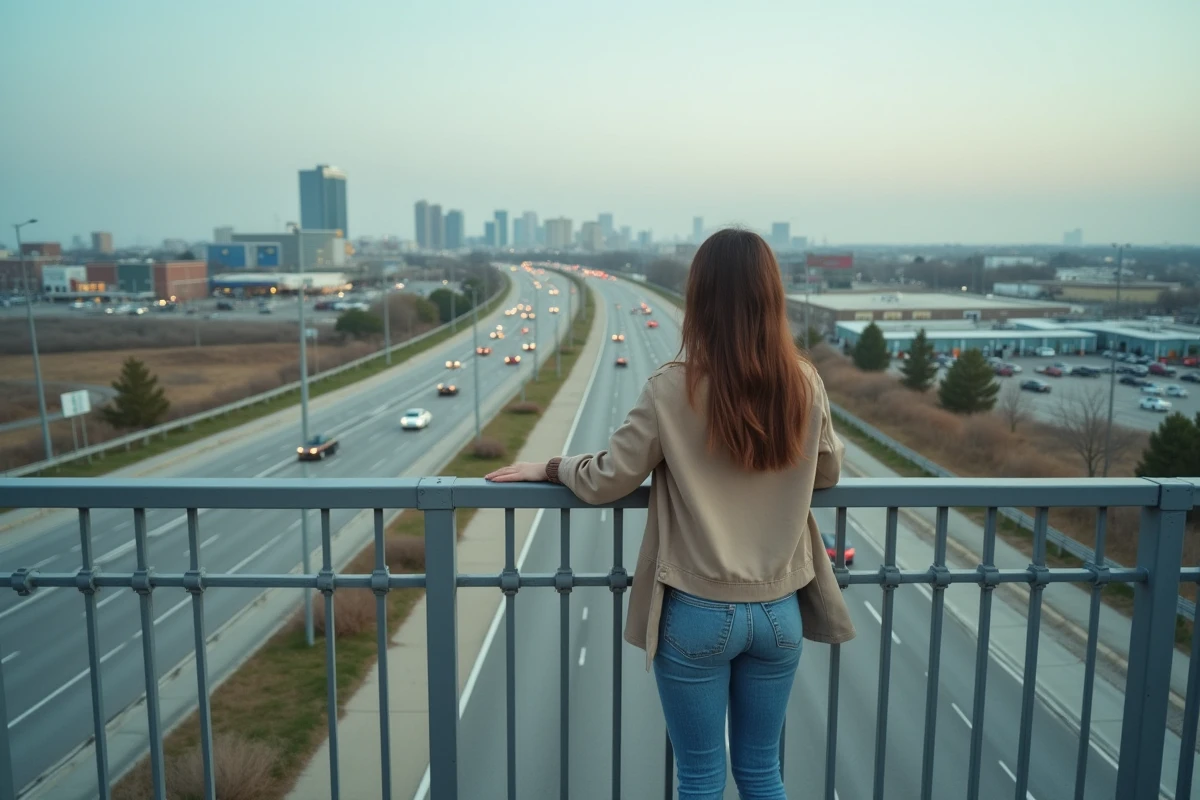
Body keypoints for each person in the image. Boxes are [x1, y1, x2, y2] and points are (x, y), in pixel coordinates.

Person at [485, 228, 855, 799]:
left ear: (700, 299)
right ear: (771, 297)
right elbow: (826, 474)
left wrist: (554, 468)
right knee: (762, 773)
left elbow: (611, 477)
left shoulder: (672, 387)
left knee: (701, 776)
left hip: (698, 611)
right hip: (780, 610)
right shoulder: (803, 381)